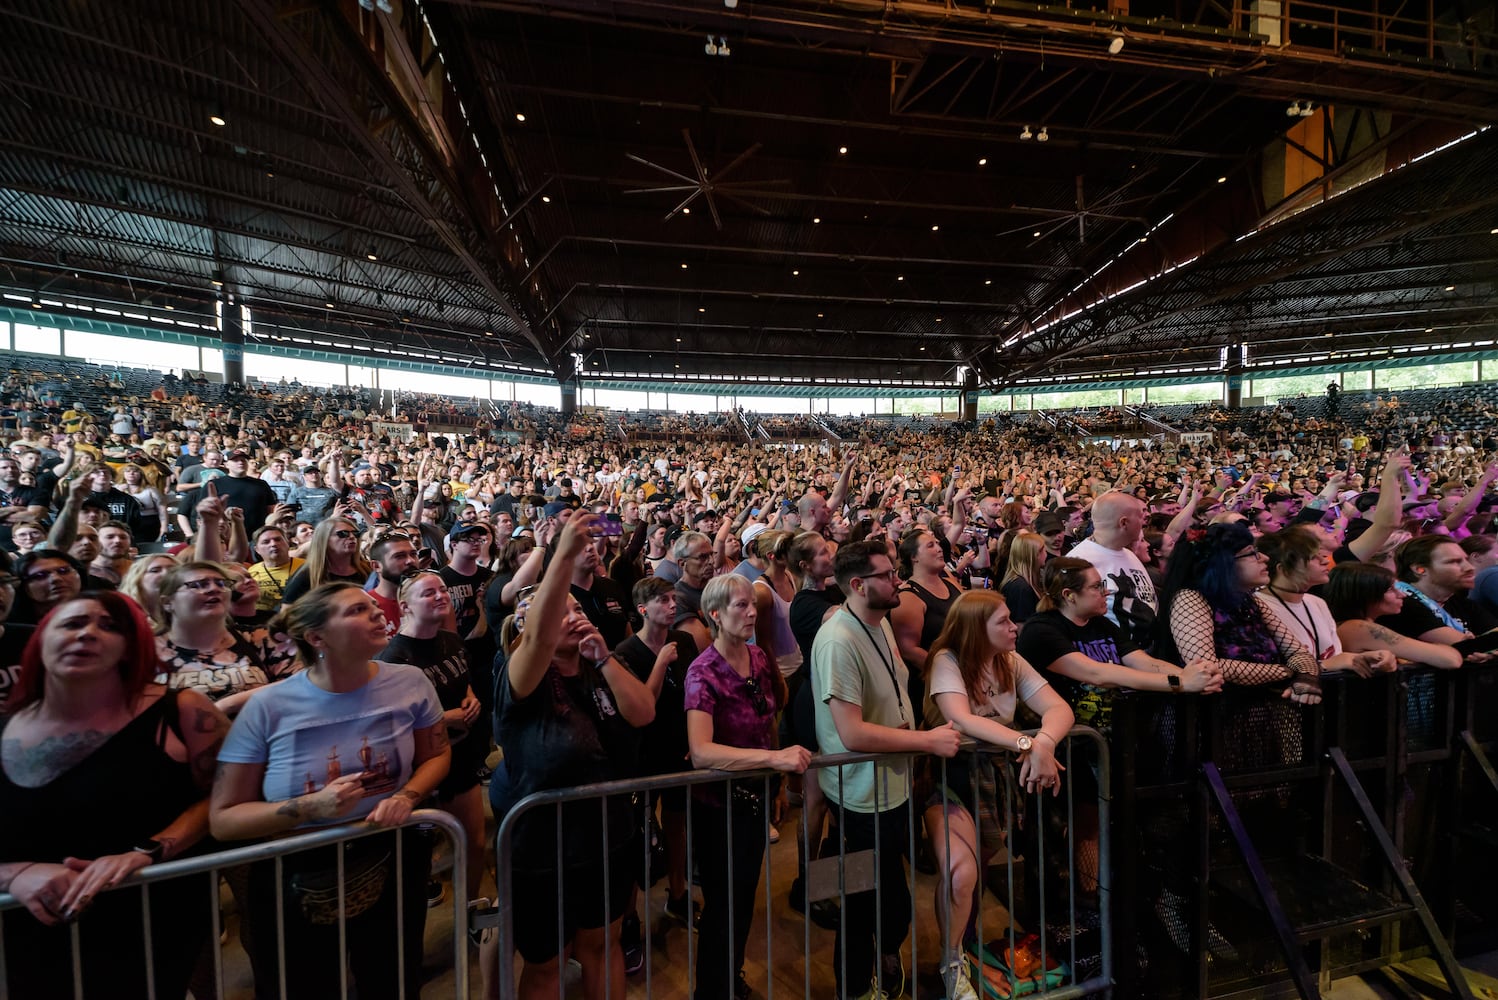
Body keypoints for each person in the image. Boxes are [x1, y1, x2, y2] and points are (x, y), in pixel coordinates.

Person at [211, 582, 451, 1000]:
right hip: (299, 867)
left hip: (391, 850)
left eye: (374, 606)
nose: (378, 612)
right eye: (358, 610)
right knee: (304, 983)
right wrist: (309, 806)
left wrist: (406, 797)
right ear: (316, 637)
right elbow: (224, 818)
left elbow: (436, 755)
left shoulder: (410, 682)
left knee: (391, 977)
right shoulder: (269, 707)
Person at [0, 592, 230, 1000]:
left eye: (109, 626)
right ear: (39, 640)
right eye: (72, 624)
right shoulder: (4, 728)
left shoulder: (182, 712)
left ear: (130, 647)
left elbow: (222, 798)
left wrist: (147, 851)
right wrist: (14, 874)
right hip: (29, 929)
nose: (87, 634)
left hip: (150, 918)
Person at [495, 513, 657, 1000]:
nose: (574, 616)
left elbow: (643, 713)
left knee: (602, 943)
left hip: (606, 834)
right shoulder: (518, 676)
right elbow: (540, 637)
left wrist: (604, 657)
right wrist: (562, 555)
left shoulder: (601, 664)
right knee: (544, 962)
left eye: (576, 608)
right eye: (559, 610)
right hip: (542, 845)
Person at [811, 539, 962, 1000]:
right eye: (888, 575)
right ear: (858, 585)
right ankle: (855, 989)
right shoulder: (839, 639)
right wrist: (926, 741)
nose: (898, 580)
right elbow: (852, 734)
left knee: (891, 903)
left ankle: (884, 959)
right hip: (859, 797)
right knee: (860, 908)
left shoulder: (874, 623)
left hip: (889, 787)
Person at [922, 590, 1074, 1000]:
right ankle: (951, 962)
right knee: (962, 874)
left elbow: (1059, 710)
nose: (1015, 627)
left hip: (993, 773)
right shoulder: (947, 659)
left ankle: (965, 944)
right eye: (1004, 621)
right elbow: (961, 718)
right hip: (948, 775)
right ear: (976, 629)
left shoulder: (1009, 659)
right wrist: (1028, 747)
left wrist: (1042, 742)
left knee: (980, 867)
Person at [685, 573, 810, 1000]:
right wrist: (775, 761)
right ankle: (713, 990)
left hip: (755, 797)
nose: (752, 611)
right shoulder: (702, 672)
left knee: (742, 900)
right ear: (715, 615)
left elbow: (767, 722)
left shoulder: (757, 658)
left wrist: (775, 784)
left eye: (752, 604)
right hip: (718, 806)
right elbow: (701, 751)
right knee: (723, 906)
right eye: (740, 605)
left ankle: (730, 979)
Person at [379, 571, 487, 903]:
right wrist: (444, 718)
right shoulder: (392, 660)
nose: (440, 596)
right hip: (419, 766)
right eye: (428, 593)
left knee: (474, 842)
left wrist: (470, 698)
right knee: (419, 856)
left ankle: (470, 909)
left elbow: (461, 679)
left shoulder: (450, 640)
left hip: (460, 757)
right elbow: (389, 725)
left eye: (442, 590)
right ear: (405, 605)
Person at [1157, 522, 1322, 704]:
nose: (1265, 558)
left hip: (1259, 713)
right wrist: (1287, 672)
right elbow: (1206, 666)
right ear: (1225, 563)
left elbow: (1298, 653)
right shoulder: (1190, 598)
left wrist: (1306, 676)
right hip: (1211, 718)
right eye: (1252, 553)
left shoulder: (1249, 599)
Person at [613, 576, 699, 924]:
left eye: (673, 599)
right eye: (663, 600)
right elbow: (641, 706)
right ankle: (629, 913)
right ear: (643, 609)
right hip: (644, 754)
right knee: (637, 834)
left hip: (679, 749)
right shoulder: (626, 654)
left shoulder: (685, 640)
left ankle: (678, 893)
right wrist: (662, 662)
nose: (672, 605)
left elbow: (696, 691)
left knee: (677, 826)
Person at [153, 561, 298, 716]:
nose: (214, 589)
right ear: (168, 603)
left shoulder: (261, 637)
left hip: (256, 735)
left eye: (221, 583)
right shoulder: (145, 648)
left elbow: (302, 684)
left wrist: (226, 705)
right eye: (198, 585)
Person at [1256, 529, 1397, 676]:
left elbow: (1336, 657)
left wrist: (1367, 659)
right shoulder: (1257, 606)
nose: (1325, 561)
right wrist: (1325, 665)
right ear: (1284, 569)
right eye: (1313, 558)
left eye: (1322, 555)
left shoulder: (1317, 602)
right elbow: (1263, 671)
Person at [1324, 563, 1464, 669]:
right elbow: (1450, 659)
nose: (1402, 595)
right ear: (1366, 594)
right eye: (1390, 589)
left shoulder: (1351, 626)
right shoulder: (1357, 628)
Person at [1067, 491, 1158, 647]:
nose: (1144, 521)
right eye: (1140, 516)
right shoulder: (1078, 562)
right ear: (1124, 523)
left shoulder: (1128, 554)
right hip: (1115, 660)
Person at [890, 527, 965, 714]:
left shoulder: (949, 580)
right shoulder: (909, 596)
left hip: (964, 668)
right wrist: (951, 671)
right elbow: (909, 650)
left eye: (938, 544)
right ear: (914, 557)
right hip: (934, 683)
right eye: (931, 545)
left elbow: (969, 616)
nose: (939, 548)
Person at [1375, 534, 1496, 645]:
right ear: (1420, 569)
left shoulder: (1463, 604)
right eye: (1454, 562)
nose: (1469, 567)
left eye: (1466, 560)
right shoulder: (1402, 604)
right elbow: (1469, 647)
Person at [280, 514, 371, 605]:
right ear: (324, 539)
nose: (352, 537)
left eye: (356, 533)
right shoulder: (307, 574)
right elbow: (287, 612)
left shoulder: (367, 569)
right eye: (343, 534)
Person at [245, 524, 303, 615]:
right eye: (266, 542)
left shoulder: (307, 566)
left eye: (278, 539)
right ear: (257, 550)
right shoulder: (251, 572)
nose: (273, 544)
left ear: (287, 543)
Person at [998, 530, 1047, 624]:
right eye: (1043, 550)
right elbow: (1022, 626)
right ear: (1035, 555)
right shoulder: (1020, 588)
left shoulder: (1027, 582)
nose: (1046, 553)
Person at [120, 553, 178, 626]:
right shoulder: (124, 614)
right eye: (155, 571)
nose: (166, 573)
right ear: (137, 579)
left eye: (173, 570)